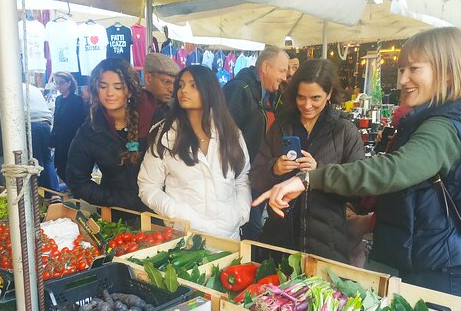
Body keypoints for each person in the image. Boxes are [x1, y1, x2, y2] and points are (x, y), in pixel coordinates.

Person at [253, 27, 461, 300]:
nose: (402, 79)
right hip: (437, 260)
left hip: (438, 271)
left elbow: (394, 170)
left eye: (413, 69)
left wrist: (309, 178)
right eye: (402, 69)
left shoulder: (443, 128)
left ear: (447, 71)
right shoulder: (458, 119)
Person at [251, 58, 363, 262]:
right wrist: (274, 168)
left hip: (326, 241)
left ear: (329, 94)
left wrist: (319, 171)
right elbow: (256, 178)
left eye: (316, 98)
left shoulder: (345, 131)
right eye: (301, 97)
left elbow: (357, 190)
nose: (307, 105)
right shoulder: (281, 126)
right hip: (278, 238)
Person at [138, 65, 251, 240]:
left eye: (193, 85)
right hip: (185, 239)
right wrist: (176, 213)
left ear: (209, 90)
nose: (184, 91)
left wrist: (240, 212)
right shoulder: (166, 134)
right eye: (181, 85)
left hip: (229, 237)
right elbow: (147, 186)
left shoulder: (231, 132)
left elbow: (242, 177)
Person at [66, 58, 155, 209]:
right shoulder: (90, 131)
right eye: (103, 86)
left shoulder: (153, 119)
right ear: (96, 89)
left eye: (118, 87)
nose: (110, 93)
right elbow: (77, 180)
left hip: (159, 216)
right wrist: (113, 199)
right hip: (117, 218)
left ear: (130, 90)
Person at [223, 45, 289, 240]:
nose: (285, 77)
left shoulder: (268, 96)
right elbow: (222, 134)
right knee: (249, 227)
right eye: (282, 70)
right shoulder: (239, 89)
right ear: (266, 67)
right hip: (239, 177)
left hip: (257, 174)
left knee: (254, 223)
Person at [50, 71, 87, 185]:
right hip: (60, 139)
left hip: (72, 139)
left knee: (71, 167)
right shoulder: (59, 100)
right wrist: (52, 139)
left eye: (61, 83)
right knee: (60, 168)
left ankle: (75, 190)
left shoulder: (77, 100)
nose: (59, 86)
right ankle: (72, 188)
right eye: (56, 83)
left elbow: (80, 121)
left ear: (69, 83)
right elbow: (56, 120)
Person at [25, 83, 58, 191]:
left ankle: (43, 193)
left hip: (30, 123)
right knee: (48, 159)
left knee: (37, 161)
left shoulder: (11, 88)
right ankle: (54, 193)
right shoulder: (33, 88)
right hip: (45, 123)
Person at [143, 53, 179, 121]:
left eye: (175, 84)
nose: (172, 89)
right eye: (166, 82)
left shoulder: (175, 110)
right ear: (148, 78)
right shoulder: (133, 108)